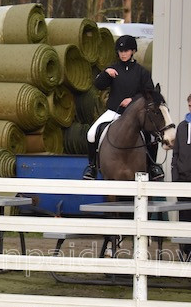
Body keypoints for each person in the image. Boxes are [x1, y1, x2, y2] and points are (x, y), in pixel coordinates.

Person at [82, 34, 163, 181]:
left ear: (132, 51)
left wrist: (133, 100)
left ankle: (152, 167)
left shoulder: (142, 72)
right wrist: (105, 73)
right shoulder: (113, 69)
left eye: (126, 51)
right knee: (91, 133)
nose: (123, 54)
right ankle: (92, 167)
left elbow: (149, 93)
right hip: (114, 112)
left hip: (136, 115)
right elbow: (98, 85)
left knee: (151, 136)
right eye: (120, 51)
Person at [172, 93, 191, 261]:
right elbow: (175, 153)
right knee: (184, 216)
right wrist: (175, 177)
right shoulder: (182, 127)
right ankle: (185, 251)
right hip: (183, 180)